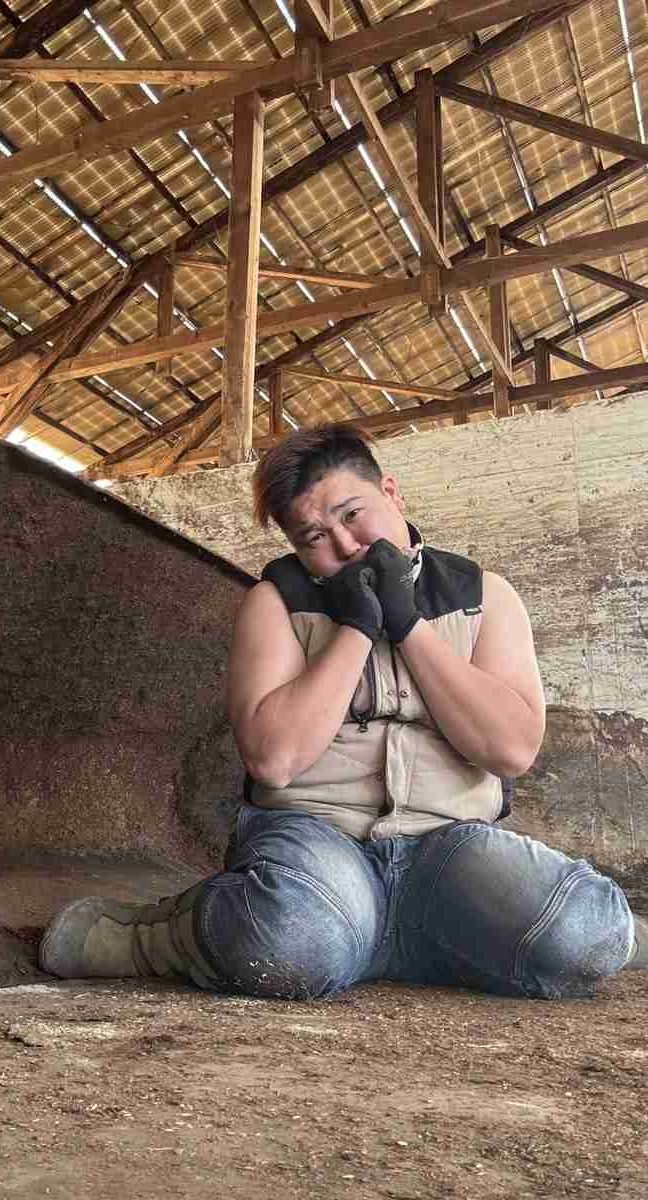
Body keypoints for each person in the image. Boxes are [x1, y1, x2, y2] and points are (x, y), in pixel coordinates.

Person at [41, 422, 645, 999]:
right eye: (314, 539)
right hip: (318, 840)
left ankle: (393, 940)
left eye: (352, 515)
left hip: (449, 850)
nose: (346, 546)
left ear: (391, 492)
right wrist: (356, 629)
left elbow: (511, 751)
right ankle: (157, 935)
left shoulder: (484, 595)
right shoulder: (275, 602)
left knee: (584, 933)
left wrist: (408, 626)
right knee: (294, 942)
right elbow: (275, 761)